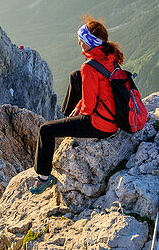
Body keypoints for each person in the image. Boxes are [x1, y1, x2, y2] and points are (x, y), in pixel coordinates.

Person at [30, 16, 124, 194]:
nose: (78, 42)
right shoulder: (110, 55)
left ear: (89, 42)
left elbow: (88, 108)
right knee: (75, 76)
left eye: (81, 39)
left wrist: (79, 109)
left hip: (101, 125)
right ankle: (67, 121)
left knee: (46, 130)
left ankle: (43, 178)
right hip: (114, 115)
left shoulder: (89, 67)